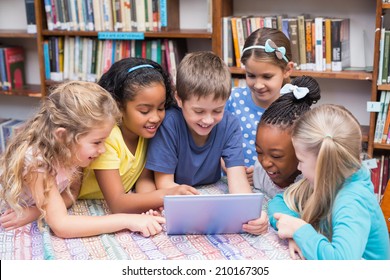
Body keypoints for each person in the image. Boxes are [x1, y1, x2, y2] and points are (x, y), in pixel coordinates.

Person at [0, 81, 164, 238]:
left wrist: (36, 211)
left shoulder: (71, 153)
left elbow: (70, 194)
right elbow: (62, 226)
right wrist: (128, 220)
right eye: (97, 142)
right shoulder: (37, 162)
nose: (103, 150)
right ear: (63, 136)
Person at [146, 51, 268, 235]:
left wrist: (253, 215)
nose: (208, 120)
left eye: (218, 110)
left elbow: (238, 181)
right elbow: (164, 184)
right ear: (179, 99)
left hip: (209, 185)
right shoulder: (169, 123)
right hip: (176, 192)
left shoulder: (230, 124)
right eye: (199, 111)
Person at [269, 104, 390, 260]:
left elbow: (341, 262)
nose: (298, 167)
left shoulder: (352, 200)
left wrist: (300, 231)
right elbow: (279, 201)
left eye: (300, 160)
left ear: (322, 166)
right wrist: (293, 229)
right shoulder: (327, 180)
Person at [79, 58, 198, 214]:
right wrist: (167, 194)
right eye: (144, 111)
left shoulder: (146, 133)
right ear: (119, 107)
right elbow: (117, 203)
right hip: (83, 201)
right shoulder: (108, 139)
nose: (155, 118)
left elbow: (143, 179)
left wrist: (152, 204)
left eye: (161, 108)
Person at [226, 27, 295, 185]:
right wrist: (226, 166)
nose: (258, 85)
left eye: (267, 76)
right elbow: (214, 141)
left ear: (287, 70)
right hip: (231, 181)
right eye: (251, 75)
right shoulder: (232, 100)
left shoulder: (295, 106)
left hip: (278, 185)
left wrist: (260, 174)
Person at [253, 75, 321, 199]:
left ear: (301, 150)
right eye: (259, 152)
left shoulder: (311, 180)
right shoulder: (259, 171)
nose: (265, 162)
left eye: (276, 156)